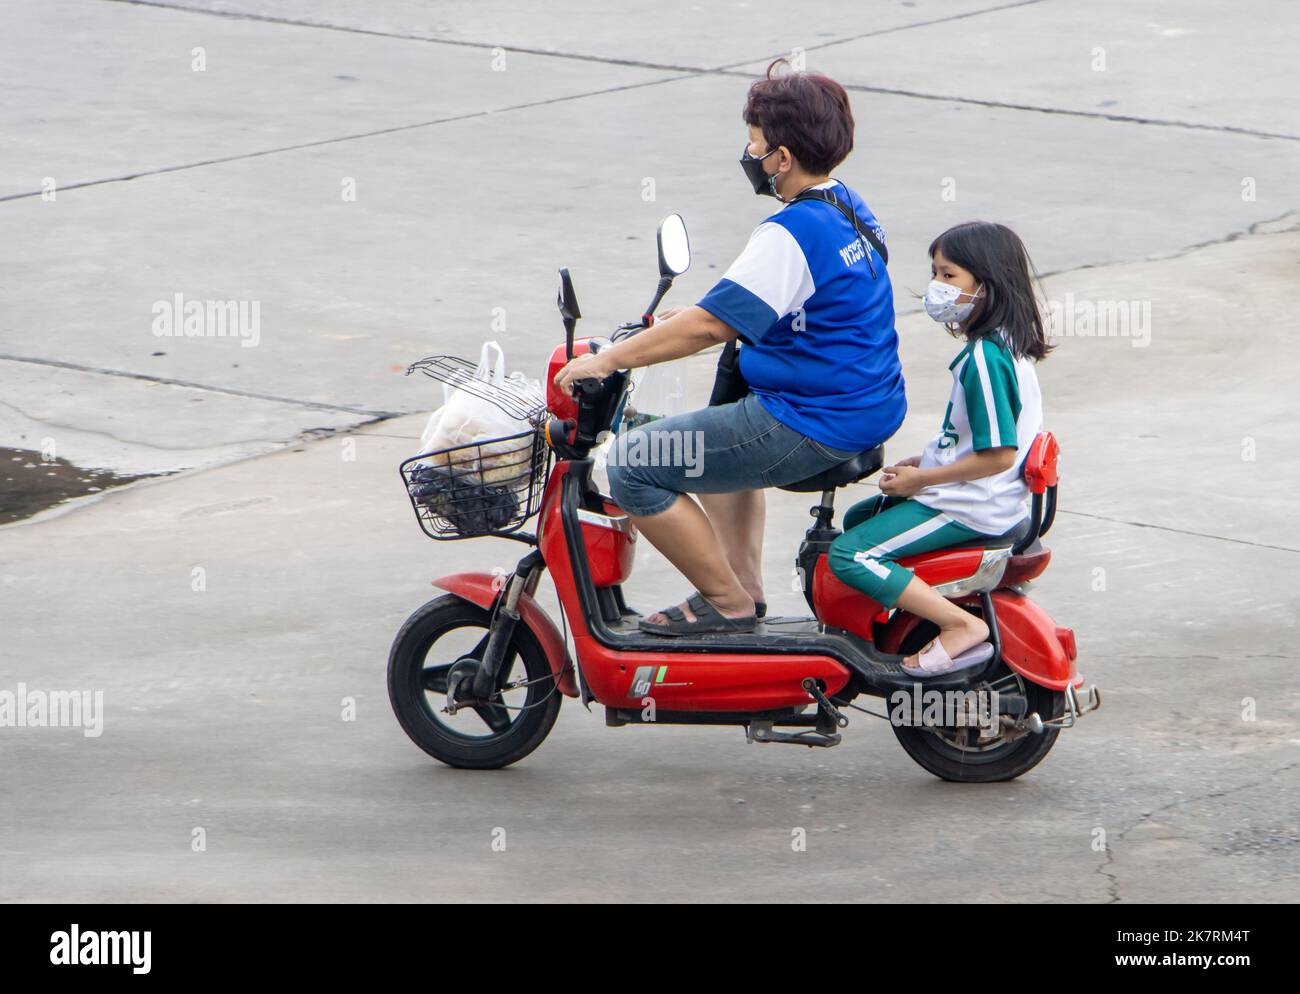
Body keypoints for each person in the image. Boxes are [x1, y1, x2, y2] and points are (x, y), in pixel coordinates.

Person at [553, 60, 905, 636]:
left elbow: (710, 327)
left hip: (810, 418)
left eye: (755, 144)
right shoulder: (848, 206)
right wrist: (696, 318)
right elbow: (790, 304)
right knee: (723, 413)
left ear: (782, 158)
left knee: (634, 464)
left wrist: (610, 358)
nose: (750, 154)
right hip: (863, 402)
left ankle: (725, 600)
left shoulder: (789, 233)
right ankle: (745, 585)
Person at [828, 221, 1052, 675]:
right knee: (859, 519)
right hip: (982, 496)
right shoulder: (1006, 348)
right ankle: (909, 617)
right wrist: (927, 461)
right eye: (936, 273)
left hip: (971, 506)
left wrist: (922, 480)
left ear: (985, 286)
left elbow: (1000, 454)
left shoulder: (985, 361)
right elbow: (975, 439)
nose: (936, 286)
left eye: (949, 276)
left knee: (850, 554)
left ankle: (958, 626)